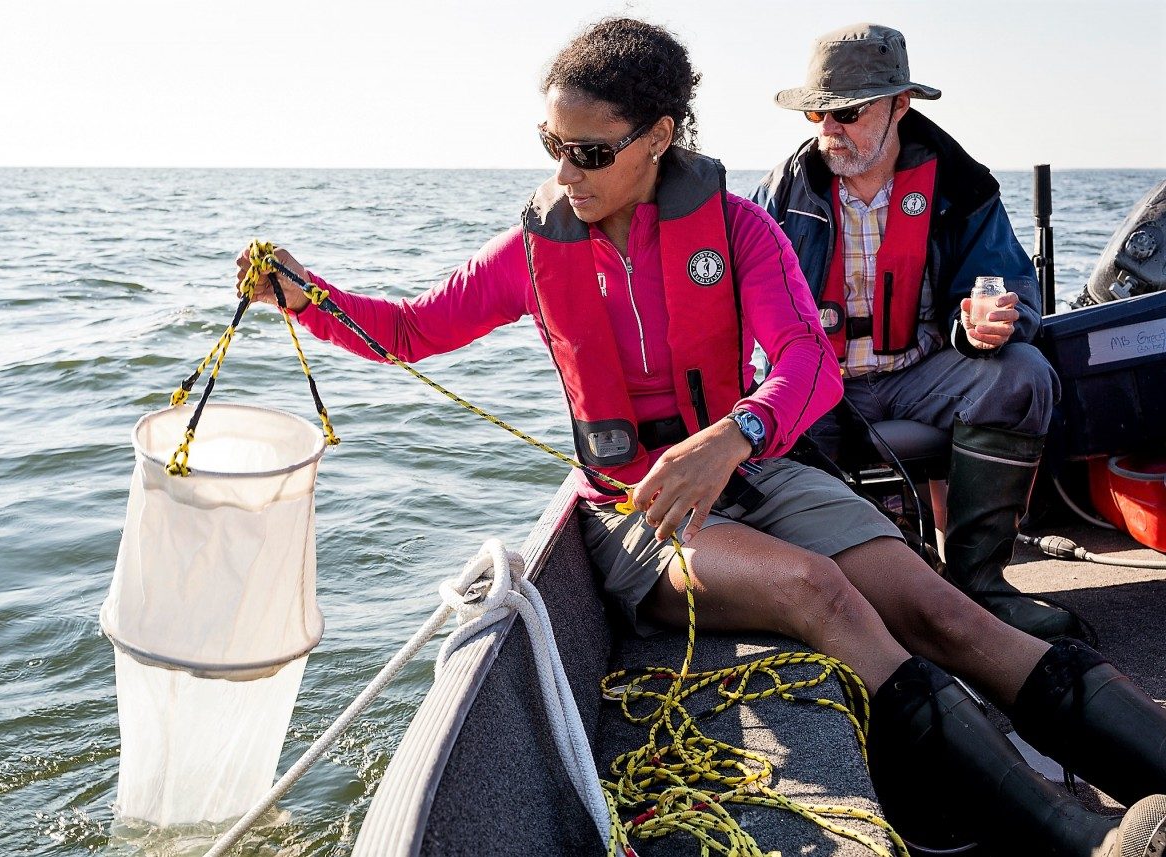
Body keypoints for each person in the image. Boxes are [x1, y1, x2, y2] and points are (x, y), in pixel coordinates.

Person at [238, 18, 1166, 856]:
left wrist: (736, 434)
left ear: (658, 139)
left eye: (589, 151)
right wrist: (303, 293)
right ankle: (1076, 839)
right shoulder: (531, 249)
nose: (565, 171)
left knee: (948, 610)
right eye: (551, 145)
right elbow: (406, 333)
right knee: (820, 590)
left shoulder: (740, 228)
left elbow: (805, 364)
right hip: (641, 517)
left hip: (758, 474)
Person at [750, 23, 1072, 641]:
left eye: (846, 112)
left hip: (921, 371)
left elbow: (1011, 289)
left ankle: (980, 585)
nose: (827, 130)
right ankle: (824, 595)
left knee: (1025, 374)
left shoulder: (964, 186)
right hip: (817, 379)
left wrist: (987, 324)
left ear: (901, 105)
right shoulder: (779, 192)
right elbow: (739, 306)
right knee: (755, 436)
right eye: (817, 112)